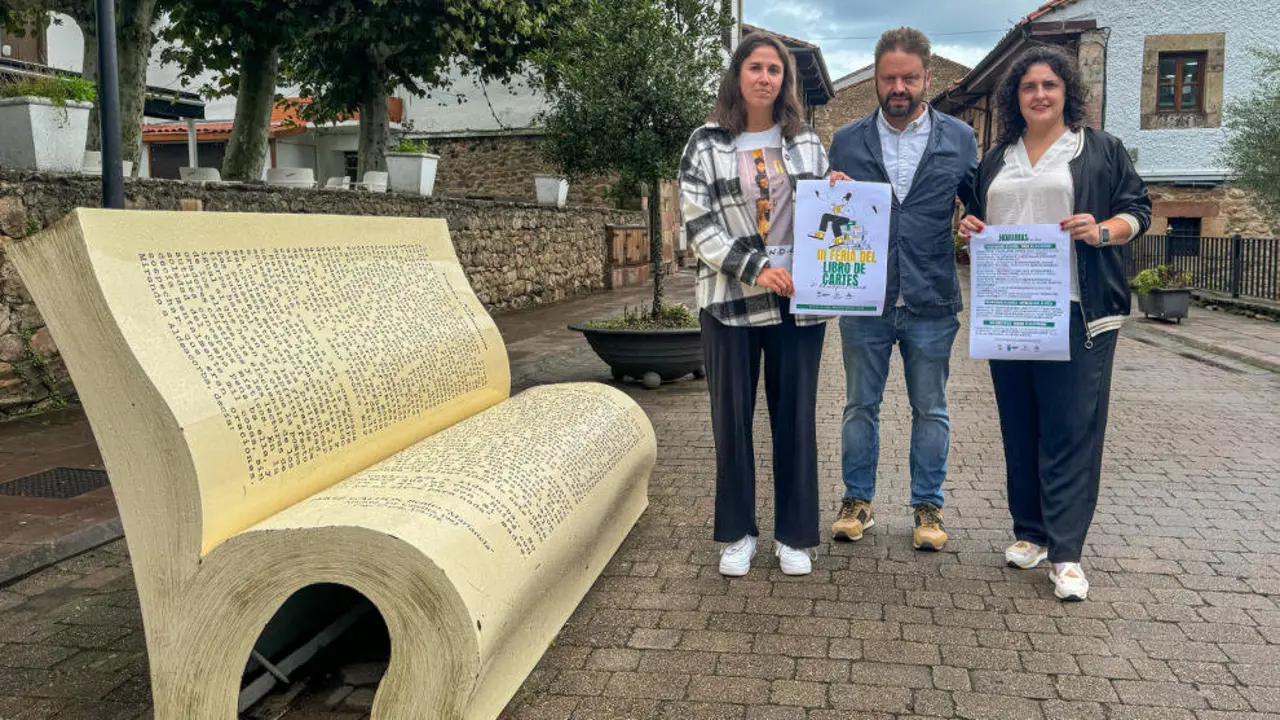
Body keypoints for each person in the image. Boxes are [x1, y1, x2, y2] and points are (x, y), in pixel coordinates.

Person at [957, 45, 1150, 600]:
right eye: (1028, 87)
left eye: (1049, 85)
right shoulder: (997, 158)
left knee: (1069, 430)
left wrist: (1103, 229)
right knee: (1020, 426)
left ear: (1067, 91)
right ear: (1015, 98)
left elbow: (1138, 209)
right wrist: (970, 227)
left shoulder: (1098, 150)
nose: (1039, 94)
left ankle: (1066, 554)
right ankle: (1032, 533)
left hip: (1076, 310)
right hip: (1010, 309)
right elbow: (976, 213)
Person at [678, 31, 844, 577]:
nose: (765, 77)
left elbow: (828, 217)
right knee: (732, 422)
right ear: (738, 76)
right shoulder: (704, 143)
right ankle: (738, 533)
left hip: (799, 304)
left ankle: (794, 536)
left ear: (785, 81)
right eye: (755, 67)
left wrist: (839, 190)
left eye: (775, 69)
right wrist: (756, 268)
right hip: (730, 302)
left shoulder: (808, 144)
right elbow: (697, 226)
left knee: (795, 420)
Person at [826, 27, 977, 551]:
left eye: (909, 78)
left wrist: (978, 226)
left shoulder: (959, 137)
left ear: (926, 78)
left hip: (932, 295)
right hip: (864, 299)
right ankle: (857, 502)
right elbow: (826, 218)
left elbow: (981, 204)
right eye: (889, 78)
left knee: (931, 408)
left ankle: (927, 507)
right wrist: (830, 194)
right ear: (874, 78)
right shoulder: (845, 140)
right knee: (858, 406)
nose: (898, 87)